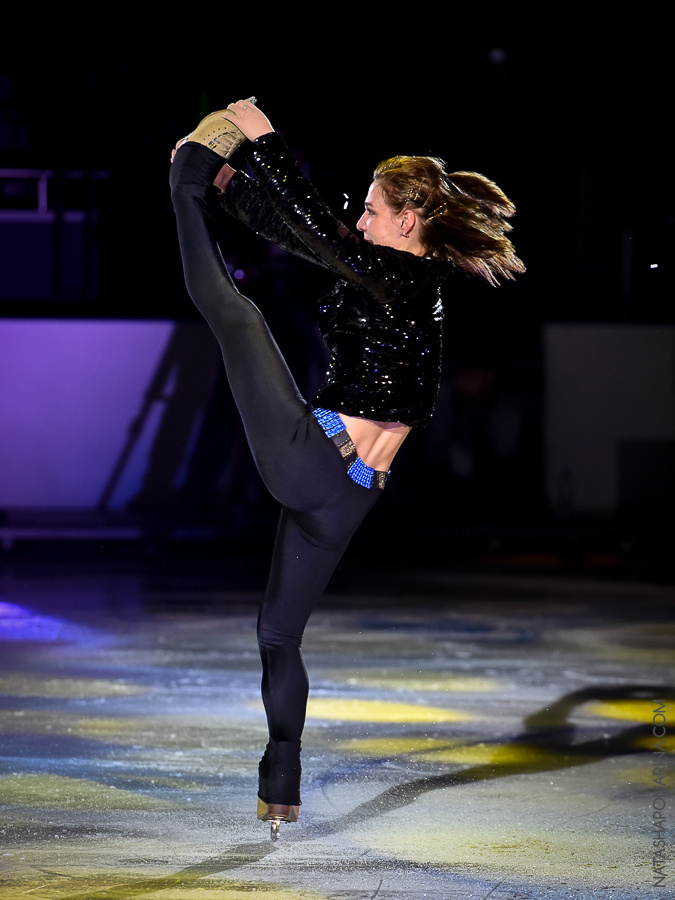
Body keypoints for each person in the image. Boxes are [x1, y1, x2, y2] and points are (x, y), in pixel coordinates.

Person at [169, 98, 524, 838]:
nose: (358, 220)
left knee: (239, 317)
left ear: (406, 221)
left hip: (316, 464)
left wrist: (251, 150)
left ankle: (182, 188)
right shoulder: (401, 280)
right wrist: (243, 184)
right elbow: (307, 232)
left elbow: (310, 229)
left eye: (369, 210)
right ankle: (280, 783)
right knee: (276, 635)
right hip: (348, 497)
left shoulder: (404, 281)